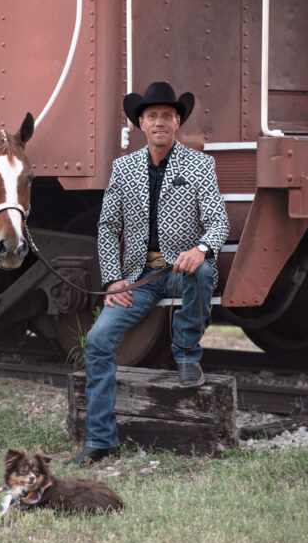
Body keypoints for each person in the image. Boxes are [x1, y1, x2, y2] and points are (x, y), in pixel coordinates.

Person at [68, 81, 229, 466]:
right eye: (153, 116)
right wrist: (112, 280)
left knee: (202, 273)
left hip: (179, 271)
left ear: (177, 122)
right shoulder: (122, 169)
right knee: (98, 341)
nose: (160, 122)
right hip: (138, 278)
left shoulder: (199, 165)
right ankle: (101, 441)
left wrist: (200, 249)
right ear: (141, 122)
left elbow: (218, 221)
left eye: (168, 116)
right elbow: (107, 227)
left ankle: (187, 353)